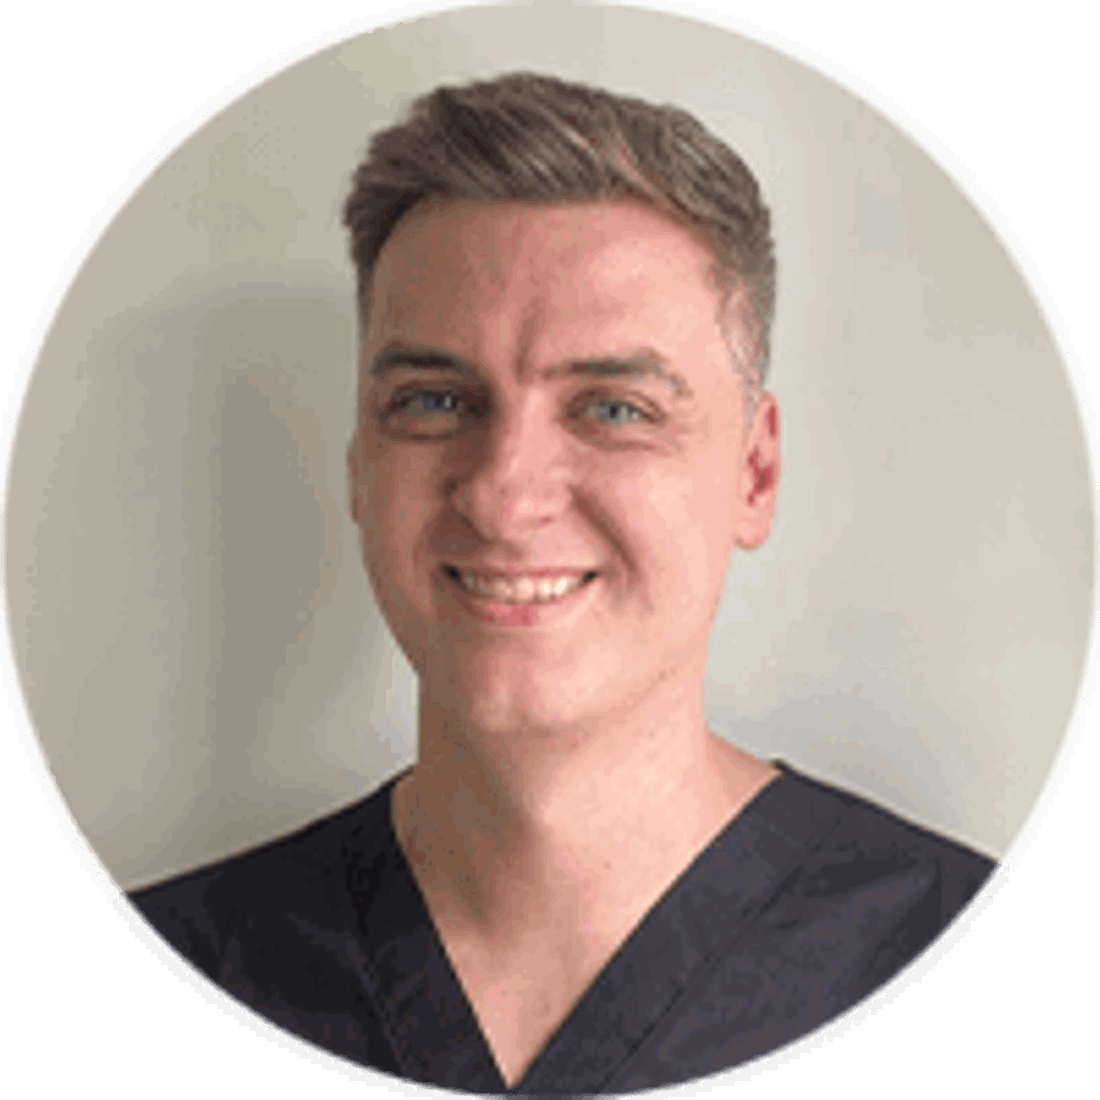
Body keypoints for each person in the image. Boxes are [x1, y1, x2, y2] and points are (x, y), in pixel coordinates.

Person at [118, 72, 1004, 1095]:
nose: (503, 497)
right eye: (435, 400)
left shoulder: (931, 934)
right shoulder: (187, 953)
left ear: (754, 475)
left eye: (614, 409)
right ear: (360, 464)